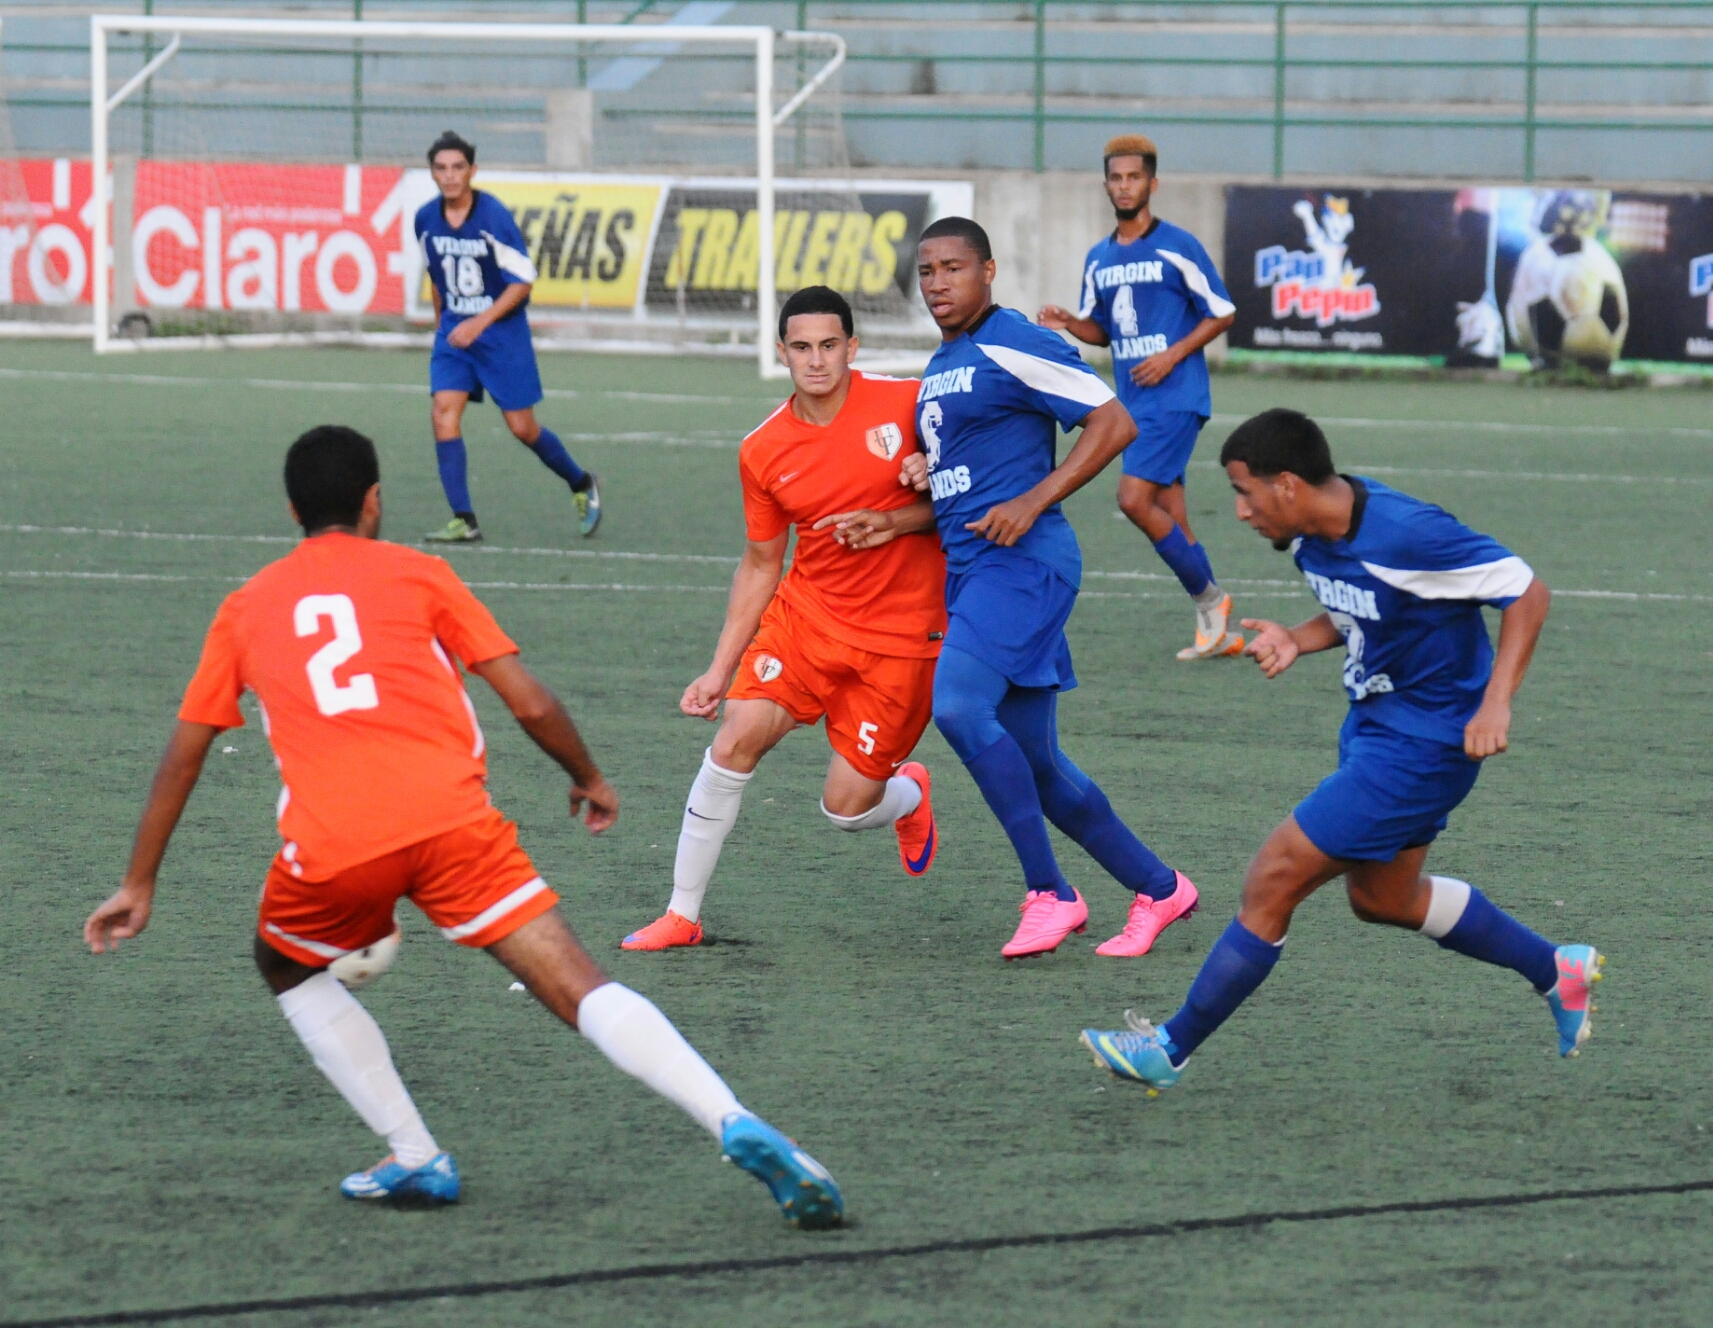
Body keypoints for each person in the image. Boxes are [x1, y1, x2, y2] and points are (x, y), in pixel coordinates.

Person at [83, 426, 840, 1227]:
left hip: (337, 844)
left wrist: (139, 881)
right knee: (581, 986)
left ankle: (414, 1156)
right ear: (375, 501)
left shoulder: (247, 606)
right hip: (454, 825)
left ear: (292, 509)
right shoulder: (421, 573)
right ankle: (732, 1118)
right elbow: (529, 700)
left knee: (285, 965)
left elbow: (182, 756)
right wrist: (585, 777)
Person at [1081, 408, 1603, 1088]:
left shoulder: (1407, 532)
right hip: (1376, 729)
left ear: (1288, 484)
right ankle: (1553, 969)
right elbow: (1362, 602)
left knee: (1272, 877)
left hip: (1424, 746)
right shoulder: (1309, 534)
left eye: (1245, 492)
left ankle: (1168, 1048)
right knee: (1383, 899)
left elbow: (1524, 592)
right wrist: (1298, 637)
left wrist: (1495, 701)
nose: (1240, 512)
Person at [910, 216, 1199, 960]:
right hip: (977, 572)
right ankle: (1161, 888)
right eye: (927, 271)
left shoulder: (1014, 339)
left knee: (958, 708)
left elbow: (1113, 421)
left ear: (988, 271)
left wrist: (1033, 499)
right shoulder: (947, 360)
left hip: (1024, 565)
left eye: (952, 267)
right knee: (1038, 768)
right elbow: (961, 466)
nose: (938, 282)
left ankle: (1051, 894)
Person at [623, 287, 945, 951]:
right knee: (735, 734)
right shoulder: (763, 449)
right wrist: (717, 670)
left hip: (903, 638)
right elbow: (761, 564)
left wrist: (932, 475)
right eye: (801, 347)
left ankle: (909, 796)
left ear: (852, 349)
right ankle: (681, 914)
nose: (816, 360)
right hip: (808, 621)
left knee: (846, 809)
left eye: (829, 345)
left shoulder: (911, 403)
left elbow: (979, 494)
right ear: (781, 352)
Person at [1038, 135, 1238, 661]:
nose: (1125, 185)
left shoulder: (1178, 245)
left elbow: (1222, 311)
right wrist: (1067, 323)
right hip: (1133, 402)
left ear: (1152, 182)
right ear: (1106, 185)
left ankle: (1212, 599)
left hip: (1175, 397)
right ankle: (1215, 624)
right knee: (1171, 512)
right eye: (1116, 177)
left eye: (1134, 177)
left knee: (1132, 499)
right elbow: (1101, 331)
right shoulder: (1099, 258)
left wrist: (1172, 355)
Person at [414, 130, 601, 544]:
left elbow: (523, 282)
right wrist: (441, 327)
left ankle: (580, 481)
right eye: (441, 168)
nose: (450, 176)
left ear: (472, 171)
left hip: (501, 335)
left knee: (521, 427)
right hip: (455, 336)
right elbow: (436, 275)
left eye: (458, 167)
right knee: (443, 413)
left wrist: (478, 323)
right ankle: (464, 519)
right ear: (432, 173)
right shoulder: (425, 219)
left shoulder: (493, 217)